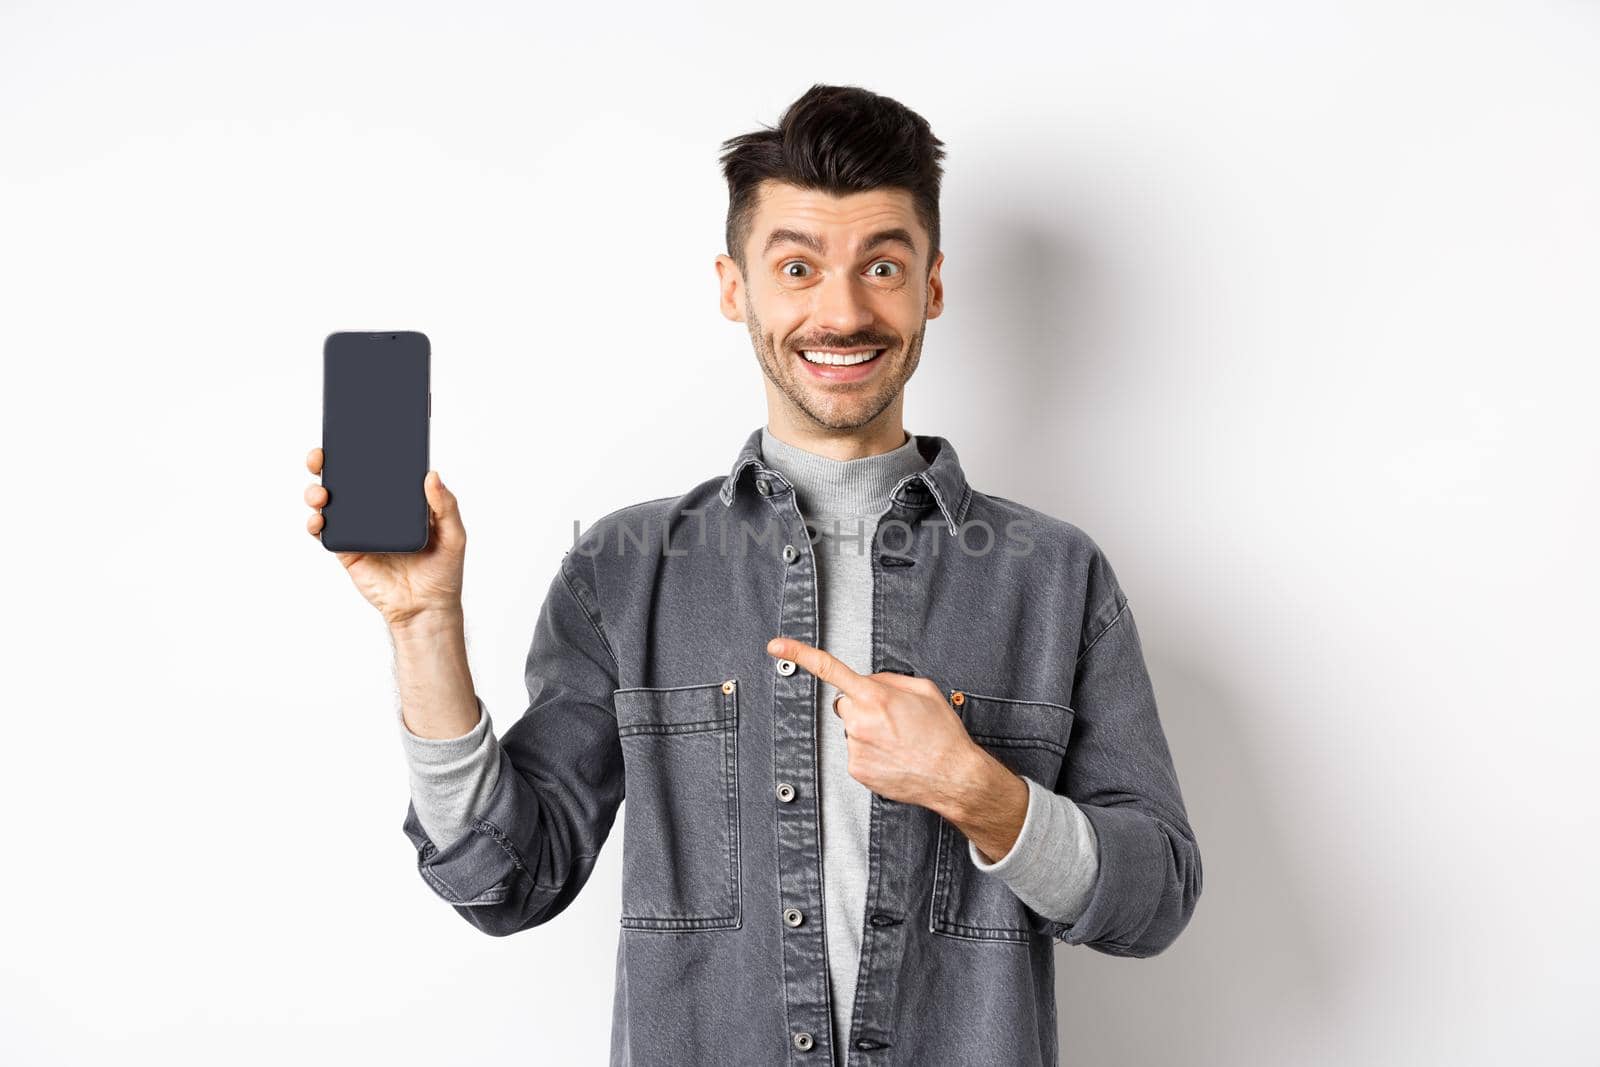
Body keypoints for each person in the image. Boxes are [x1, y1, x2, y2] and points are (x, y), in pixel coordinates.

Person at [302, 83, 1201, 1067]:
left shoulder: (1056, 577)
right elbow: (505, 879)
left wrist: (982, 790)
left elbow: (1152, 899)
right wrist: (422, 622)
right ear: (735, 287)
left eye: (882, 266)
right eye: (798, 266)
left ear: (932, 286)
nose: (842, 308)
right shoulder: (624, 568)